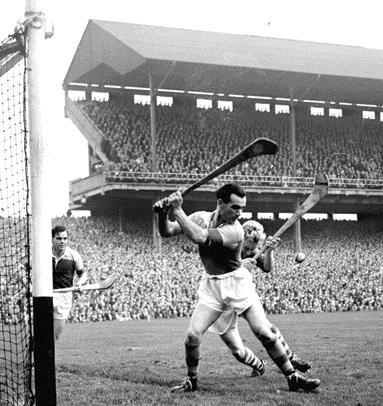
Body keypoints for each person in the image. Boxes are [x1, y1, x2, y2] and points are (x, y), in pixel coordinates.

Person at [154, 183, 320, 393]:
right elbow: (166, 231)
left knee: (265, 333)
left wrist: (177, 210)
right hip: (213, 285)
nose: (239, 213)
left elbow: (200, 237)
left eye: (242, 208)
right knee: (192, 336)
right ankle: (191, 380)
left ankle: (292, 376)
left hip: (237, 283)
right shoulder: (200, 218)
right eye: (235, 207)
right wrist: (162, 213)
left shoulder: (235, 230)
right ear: (220, 203)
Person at [211, 220, 311, 377]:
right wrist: (239, 265)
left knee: (266, 329)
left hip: (240, 293)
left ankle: (291, 359)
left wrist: (269, 250)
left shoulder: (252, 251)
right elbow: (215, 269)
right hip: (220, 297)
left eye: (253, 249)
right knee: (237, 351)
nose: (250, 251)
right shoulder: (225, 245)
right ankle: (259, 365)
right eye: (246, 248)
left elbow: (267, 267)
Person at [52, 225, 87, 340]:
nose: (63, 241)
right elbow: (23, 268)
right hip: (46, 294)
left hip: (64, 297)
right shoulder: (43, 254)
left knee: (55, 335)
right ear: (52, 239)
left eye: (65, 238)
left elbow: (83, 274)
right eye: (59, 238)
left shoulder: (73, 255)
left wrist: (80, 283)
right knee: (43, 332)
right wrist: (29, 286)